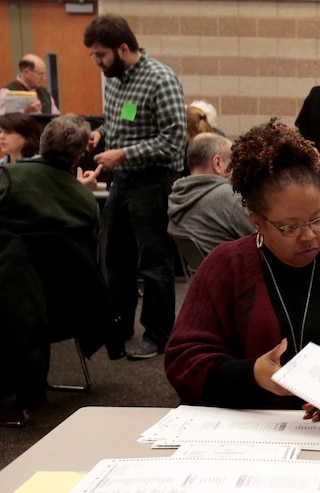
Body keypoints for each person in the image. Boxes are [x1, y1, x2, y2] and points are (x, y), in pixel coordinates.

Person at [164, 119, 320, 410]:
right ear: (256, 222)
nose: (309, 236)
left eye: (318, 219)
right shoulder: (226, 267)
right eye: (289, 227)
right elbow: (183, 363)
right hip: (247, 433)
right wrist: (252, 373)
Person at [84, 14, 186, 361]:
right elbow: (119, 122)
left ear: (123, 48)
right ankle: (121, 325)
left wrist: (124, 152)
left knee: (154, 263)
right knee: (117, 259)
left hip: (154, 181)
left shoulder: (160, 79)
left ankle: (158, 336)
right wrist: (102, 134)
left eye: (100, 55)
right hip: (123, 181)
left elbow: (174, 141)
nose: (96, 62)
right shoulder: (114, 79)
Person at [0, 114, 119, 409]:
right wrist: (80, 190)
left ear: (40, 143)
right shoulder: (85, 202)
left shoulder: (9, 180)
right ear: (80, 155)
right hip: (67, 309)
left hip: (8, 303)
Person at [168, 133, 255, 255]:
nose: (235, 170)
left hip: (200, 273)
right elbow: (264, 241)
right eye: (232, 163)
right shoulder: (229, 197)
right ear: (218, 163)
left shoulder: (177, 195)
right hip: (234, 272)